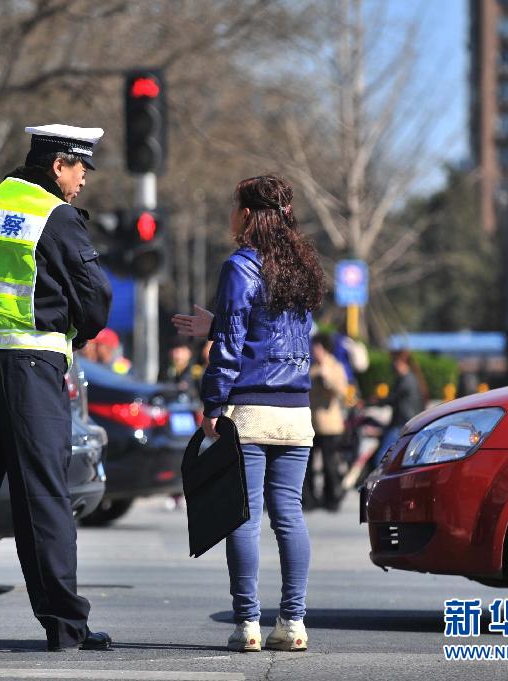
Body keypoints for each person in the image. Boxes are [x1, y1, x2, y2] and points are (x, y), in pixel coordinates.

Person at [0, 124, 113, 653]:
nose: (84, 179)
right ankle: (64, 626)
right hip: (29, 366)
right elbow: (96, 298)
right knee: (43, 495)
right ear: (58, 164)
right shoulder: (51, 215)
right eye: (81, 167)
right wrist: (72, 335)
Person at [177, 175, 326, 653]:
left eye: (233, 206)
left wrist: (212, 405)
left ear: (247, 215)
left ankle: (247, 626)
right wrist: (218, 321)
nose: (230, 214)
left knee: (244, 519)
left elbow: (233, 346)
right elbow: (278, 331)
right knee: (290, 515)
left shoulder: (241, 267)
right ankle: (294, 622)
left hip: (250, 410)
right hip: (297, 413)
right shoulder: (302, 269)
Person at [306, 334, 349, 512]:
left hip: (330, 425)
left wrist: (328, 379)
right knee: (307, 464)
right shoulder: (311, 367)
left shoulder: (335, 367)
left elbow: (343, 391)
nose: (315, 351)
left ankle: (332, 498)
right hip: (311, 423)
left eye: (318, 348)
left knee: (329, 464)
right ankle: (308, 499)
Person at [371, 349, 427, 464]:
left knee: (381, 460)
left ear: (400, 362)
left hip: (401, 424)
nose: (393, 366)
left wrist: (372, 402)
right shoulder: (412, 379)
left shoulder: (406, 380)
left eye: (394, 362)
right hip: (408, 423)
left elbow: (393, 398)